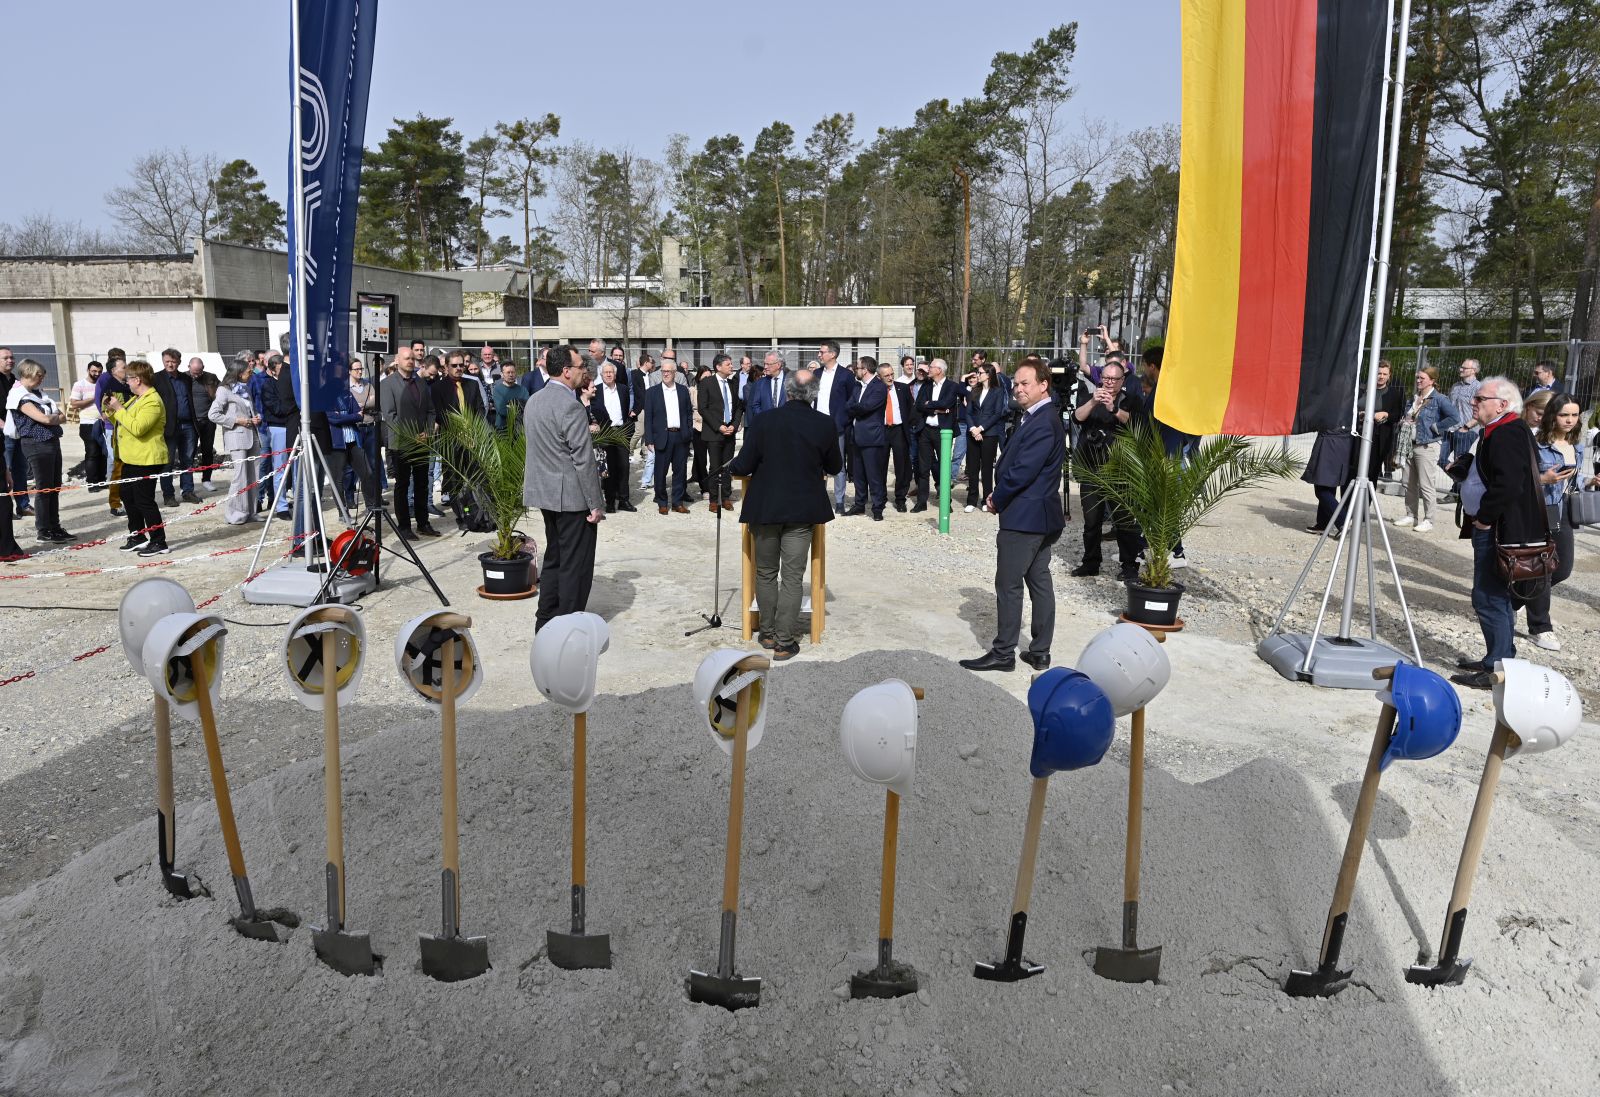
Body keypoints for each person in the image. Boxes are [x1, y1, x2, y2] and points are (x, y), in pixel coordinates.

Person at [960, 358, 1066, 672]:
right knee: (1039, 581)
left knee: (1009, 585)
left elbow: (1023, 472)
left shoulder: (1044, 421)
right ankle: (1039, 651)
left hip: (1025, 517)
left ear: (1043, 385)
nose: (1018, 389)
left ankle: (1004, 653)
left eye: (1025, 384)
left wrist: (996, 497)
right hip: (1037, 517)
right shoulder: (1034, 416)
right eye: (1016, 384)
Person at [727, 371, 840, 660]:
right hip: (802, 510)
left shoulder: (764, 420)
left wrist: (730, 467)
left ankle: (766, 632)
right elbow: (835, 466)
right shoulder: (824, 424)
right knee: (792, 576)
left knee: (765, 572)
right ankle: (784, 640)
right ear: (813, 394)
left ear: (787, 392)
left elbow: (744, 463)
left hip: (765, 506)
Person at [1451, 377, 1547, 689]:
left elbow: (1508, 484)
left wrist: (1485, 519)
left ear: (1502, 405)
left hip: (1498, 530)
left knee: (1488, 596)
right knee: (1495, 596)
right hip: (1498, 527)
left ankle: (1498, 666)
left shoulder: (1506, 432)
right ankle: (1501, 658)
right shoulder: (1502, 429)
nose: (1474, 403)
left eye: (1480, 398)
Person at [523, 344, 605, 632]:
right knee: (575, 565)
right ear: (566, 371)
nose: (585, 371)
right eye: (581, 366)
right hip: (572, 498)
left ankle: (545, 620)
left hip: (546, 493)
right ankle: (567, 626)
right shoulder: (570, 405)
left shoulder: (534, 400)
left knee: (556, 558)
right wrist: (595, 504)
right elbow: (582, 458)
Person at [1517, 394, 1591, 652]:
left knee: (1563, 569)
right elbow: (1520, 477)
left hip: (1564, 512)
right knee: (1542, 569)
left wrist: (1589, 482)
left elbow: (1572, 481)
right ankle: (1540, 627)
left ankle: (1509, 600)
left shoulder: (1577, 445)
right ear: (1552, 415)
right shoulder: (1536, 442)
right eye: (1564, 415)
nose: (1570, 420)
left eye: (1574, 415)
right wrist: (1542, 479)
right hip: (1540, 510)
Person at [1072, 360, 1143, 579]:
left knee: (1123, 521)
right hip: (1091, 469)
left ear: (1123, 381)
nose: (1109, 382)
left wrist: (1114, 409)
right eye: (1106, 378)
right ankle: (1091, 562)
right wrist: (1094, 402)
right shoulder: (1090, 397)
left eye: (1114, 379)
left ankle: (1129, 565)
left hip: (1119, 471)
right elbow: (1077, 417)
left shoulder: (1131, 400)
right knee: (1091, 521)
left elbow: (1135, 424)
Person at [105, 361, 171, 556]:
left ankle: (159, 541)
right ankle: (138, 535)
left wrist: (119, 409)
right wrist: (111, 410)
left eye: (128, 379)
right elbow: (123, 420)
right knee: (128, 497)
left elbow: (138, 428)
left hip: (147, 459)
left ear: (138, 379)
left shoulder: (152, 400)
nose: (126, 382)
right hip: (130, 457)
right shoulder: (136, 398)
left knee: (144, 501)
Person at [379, 344, 441, 541]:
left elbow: (431, 410)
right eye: (406, 358)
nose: (410, 361)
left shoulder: (420, 383)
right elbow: (390, 415)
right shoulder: (388, 384)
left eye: (412, 358)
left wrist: (428, 431)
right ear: (397, 360)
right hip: (402, 443)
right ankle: (404, 526)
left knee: (423, 483)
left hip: (423, 441)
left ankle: (423, 523)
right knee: (403, 484)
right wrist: (412, 435)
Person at [9, 361, 72, 543]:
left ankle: (55, 526)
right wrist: (52, 419)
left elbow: (62, 416)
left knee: (54, 486)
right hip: (36, 444)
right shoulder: (20, 396)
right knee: (44, 488)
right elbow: (44, 418)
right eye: (39, 375)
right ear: (28, 374)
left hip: (52, 441)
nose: (42, 379)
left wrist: (52, 419)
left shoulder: (39, 394)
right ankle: (44, 529)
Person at [1394, 365, 1463, 532]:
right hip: (1410, 445)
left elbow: (1454, 417)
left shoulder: (1439, 399)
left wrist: (1436, 427)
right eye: (1417, 377)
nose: (1418, 380)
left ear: (1432, 381)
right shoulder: (1414, 398)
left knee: (1426, 484)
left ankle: (1429, 519)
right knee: (1408, 482)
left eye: (1422, 378)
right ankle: (1411, 515)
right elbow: (1410, 417)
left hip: (1427, 446)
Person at [208, 360, 262, 525]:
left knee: (254, 476)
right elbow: (213, 414)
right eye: (248, 372)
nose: (251, 374)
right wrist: (237, 421)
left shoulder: (244, 388)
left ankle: (251, 511)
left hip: (252, 436)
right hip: (236, 437)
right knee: (240, 477)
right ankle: (234, 514)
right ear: (238, 372)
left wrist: (255, 417)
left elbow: (246, 410)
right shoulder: (224, 390)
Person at [642, 357, 693, 513]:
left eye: (668, 371)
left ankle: (677, 502)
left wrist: (688, 433)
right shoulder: (652, 392)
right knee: (660, 472)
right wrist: (649, 440)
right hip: (662, 437)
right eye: (663, 371)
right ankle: (662, 502)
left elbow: (688, 414)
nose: (665, 374)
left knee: (680, 471)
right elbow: (648, 418)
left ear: (675, 373)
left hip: (680, 436)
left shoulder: (683, 390)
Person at [912, 358, 961, 511]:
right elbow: (919, 405)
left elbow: (946, 404)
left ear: (939, 370)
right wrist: (935, 408)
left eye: (931, 367)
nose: (928, 370)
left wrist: (930, 404)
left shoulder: (952, 386)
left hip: (943, 432)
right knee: (923, 468)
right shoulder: (926, 385)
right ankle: (921, 502)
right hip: (925, 431)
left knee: (944, 467)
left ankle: (946, 502)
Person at [152, 349, 200, 506]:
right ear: (163, 361)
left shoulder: (186, 378)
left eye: (173, 361)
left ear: (179, 362)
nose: (170, 364)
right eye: (167, 361)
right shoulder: (156, 379)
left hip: (188, 425)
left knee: (187, 459)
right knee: (168, 462)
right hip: (169, 426)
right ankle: (168, 495)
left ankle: (188, 491)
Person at [846, 357, 891, 520]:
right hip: (856, 436)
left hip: (872, 437)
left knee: (874, 475)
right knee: (858, 475)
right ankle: (859, 504)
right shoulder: (858, 387)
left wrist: (854, 408)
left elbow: (866, 407)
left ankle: (877, 507)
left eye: (857, 367)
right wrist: (855, 408)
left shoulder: (879, 387)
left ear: (864, 369)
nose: (855, 370)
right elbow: (848, 406)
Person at [814, 339, 855, 513]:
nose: (819, 354)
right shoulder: (816, 373)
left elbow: (851, 400)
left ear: (832, 354)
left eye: (822, 352)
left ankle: (839, 501)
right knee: (816, 464)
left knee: (838, 465)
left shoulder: (846, 375)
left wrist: (843, 419)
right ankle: (818, 498)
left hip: (837, 427)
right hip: (817, 426)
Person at [698, 353, 743, 511]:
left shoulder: (733, 383)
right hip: (714, 432)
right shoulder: (707, 383)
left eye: (731, 364)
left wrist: (735, 425)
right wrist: (719, 426)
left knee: (727, 467)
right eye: (728, 364)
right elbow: (703, 408)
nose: (732, 366)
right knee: (715, 466)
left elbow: (738, 407)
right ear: (718, 367)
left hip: (730, 432)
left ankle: (725, 497)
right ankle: (713, 499)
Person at [963, 363, 1008, 511]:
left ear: (989, 374)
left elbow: (996, 414)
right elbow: (968, 412)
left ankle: (986, 500)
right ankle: (971, 500)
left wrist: (980, 429)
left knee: (987, 468)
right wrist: (973, 429)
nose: (978, 374)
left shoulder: (998, 391)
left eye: (980, 372)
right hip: (972, 434)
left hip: (989, 434)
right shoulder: (974, 391)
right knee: (973, 468)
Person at [593, 361, 634, 513]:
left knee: (624, 467)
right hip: (606, 433)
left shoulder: (623, 390)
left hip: (621, 431)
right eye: (606, 372)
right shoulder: (596, 391)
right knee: (608, 469)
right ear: (601, 375)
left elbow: (625, 410)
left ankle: (624, 500)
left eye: (611, 372)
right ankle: (610, 502)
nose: (609, 374)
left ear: (615, 374)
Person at [94, 352, 132, 517]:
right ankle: (115, 503)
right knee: (116, 466)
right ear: (114, 371)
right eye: (124, 367)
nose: (127, 369)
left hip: (130, 431)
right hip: (114, 431)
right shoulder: (110, 388)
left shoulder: (126, 385)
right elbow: (107, 412)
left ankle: (128, 498)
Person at [1302, 428, 1355, 533]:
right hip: (1342, 441)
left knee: (1321, 489)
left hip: (1329, 441)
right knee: (1328, 485)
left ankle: (1343, 519)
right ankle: (1323, 524)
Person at [1440, 359, 1481, 471]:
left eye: (1464, 368)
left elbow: (1481, 410)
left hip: (1467, 430)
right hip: (1450, 429)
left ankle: (1458, 487)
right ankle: (1457, 482)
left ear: (1474, 371)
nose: (1460, 369)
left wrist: (1466, 427)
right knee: (1440, 459)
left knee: (1459, 461)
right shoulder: (1455, 386)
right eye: (1461, 367)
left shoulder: (1478, 388)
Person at [69, 361, 106, 486]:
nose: (97, 374)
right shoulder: (79, 384)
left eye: (99, 372)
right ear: (88, 370)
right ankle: (92, 482)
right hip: (88, 424)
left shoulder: (103, 383)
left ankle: (102, 480)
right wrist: (94, 398)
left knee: (103, 453)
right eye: (94, 371)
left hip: (103, 423)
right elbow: (74, 404)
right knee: (92, 453)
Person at [187, 357, 219, 490]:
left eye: (199, 372)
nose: (196, 375)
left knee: (207, 451)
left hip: (208, 420)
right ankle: (187, 485)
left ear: (203, 368)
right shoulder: (183, 378)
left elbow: (220, 394)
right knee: (189, 453)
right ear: (188, 367)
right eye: (194, 372)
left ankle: (207, 479)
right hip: (191, 422)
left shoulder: (211, 378)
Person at [745, 351, 787, 422]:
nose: (765, 367)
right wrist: (765, 419)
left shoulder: (790, 380)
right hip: (765, 426)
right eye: (765, 364)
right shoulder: (760, 383)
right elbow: (755, 405)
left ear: (778, 365)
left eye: (768, 364)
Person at [492, 362, 527, 431]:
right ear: (502, 374)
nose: (511, 375)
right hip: (503, 428)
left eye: (513, 372)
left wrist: (510, 406)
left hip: (520, 429)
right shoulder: (497, 390)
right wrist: (518, 406)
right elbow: (502, 410)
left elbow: (527, 407)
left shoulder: (522, 389)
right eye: (508, 372)